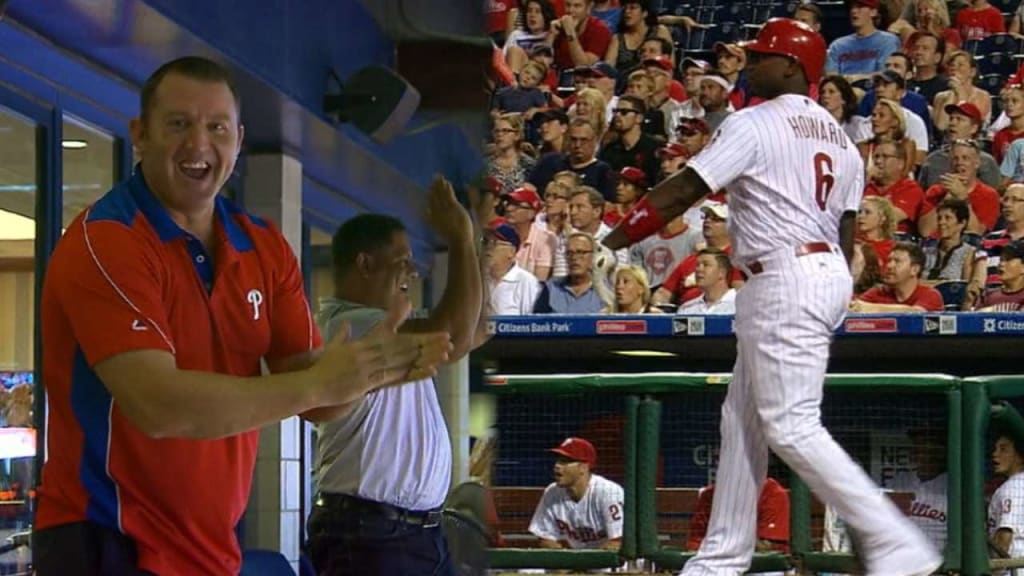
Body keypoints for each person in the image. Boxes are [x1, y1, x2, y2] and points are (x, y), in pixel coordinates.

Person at [33, 56, 452, 576]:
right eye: (179, 124)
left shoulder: (264, 247)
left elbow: (313, 395)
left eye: (217, 128)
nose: (199, 144)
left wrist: (369, 370)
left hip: (209, 546)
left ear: (239, 140)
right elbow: (159, 406)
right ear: (140, 135)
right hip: (107, 540)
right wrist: (322, 384)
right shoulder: (107, 241)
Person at [601, 19, 941, 574]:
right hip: (816, 268)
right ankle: (720, 559)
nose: (748, 64)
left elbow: (686, 187)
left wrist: (611, 239)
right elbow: (847, 233)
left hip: (784, 273)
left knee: (790, 423)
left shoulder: (755, 121)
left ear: (793, 68)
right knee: (742, 418)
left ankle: (894, 540)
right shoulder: (841, 140)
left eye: (761, 56)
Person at [307, 178, 486, 576]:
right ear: (365, 263)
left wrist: (474, 245)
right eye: (402, 260)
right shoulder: (347, 323)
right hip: (370, 535)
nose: (412, 271)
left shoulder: (389, 330)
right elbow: (455, 336)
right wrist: (460, 239)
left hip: (410, 533)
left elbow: (474, 329)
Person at [528, 437, 625, 550]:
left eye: (565, 461)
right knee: (529, 568)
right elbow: (545, 538)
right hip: (577, 561)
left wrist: (583, 563)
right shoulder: (552, 492)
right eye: (558, 460)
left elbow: (617, 543)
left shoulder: (608, 492)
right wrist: (566, 562)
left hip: (614, 563)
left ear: (583, 467)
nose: (557, 465)